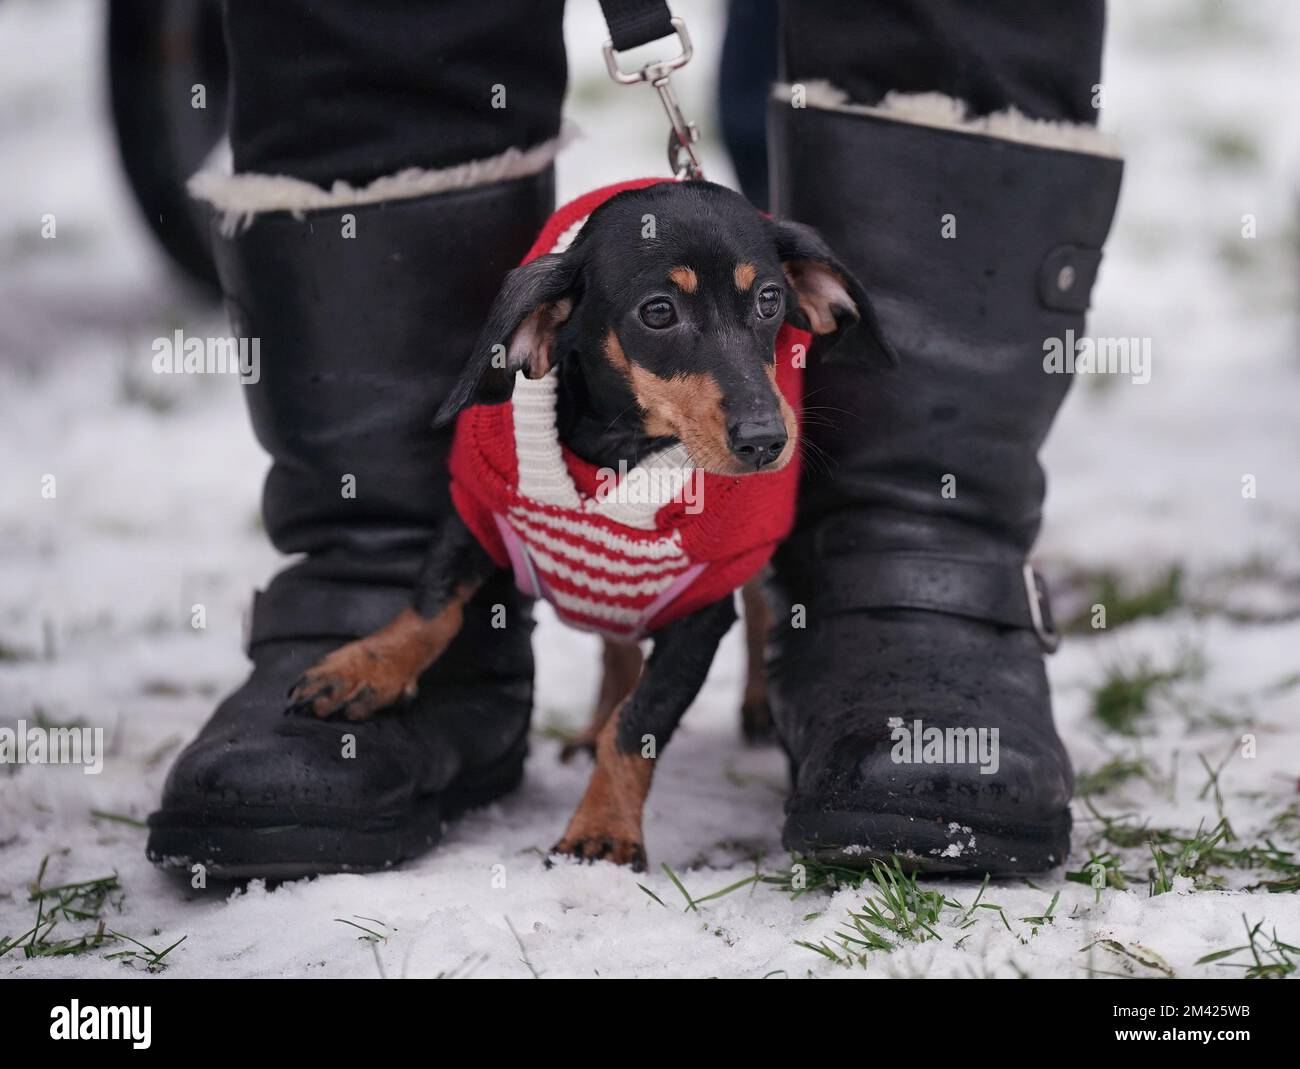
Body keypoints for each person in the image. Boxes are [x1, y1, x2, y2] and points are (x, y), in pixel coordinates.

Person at [146, 0, 1122, 878]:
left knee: (958, 21)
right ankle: (380, 565)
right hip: (496, 496)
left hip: (712, 539)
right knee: (367, 30)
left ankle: (903, 563)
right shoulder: (541, 350)